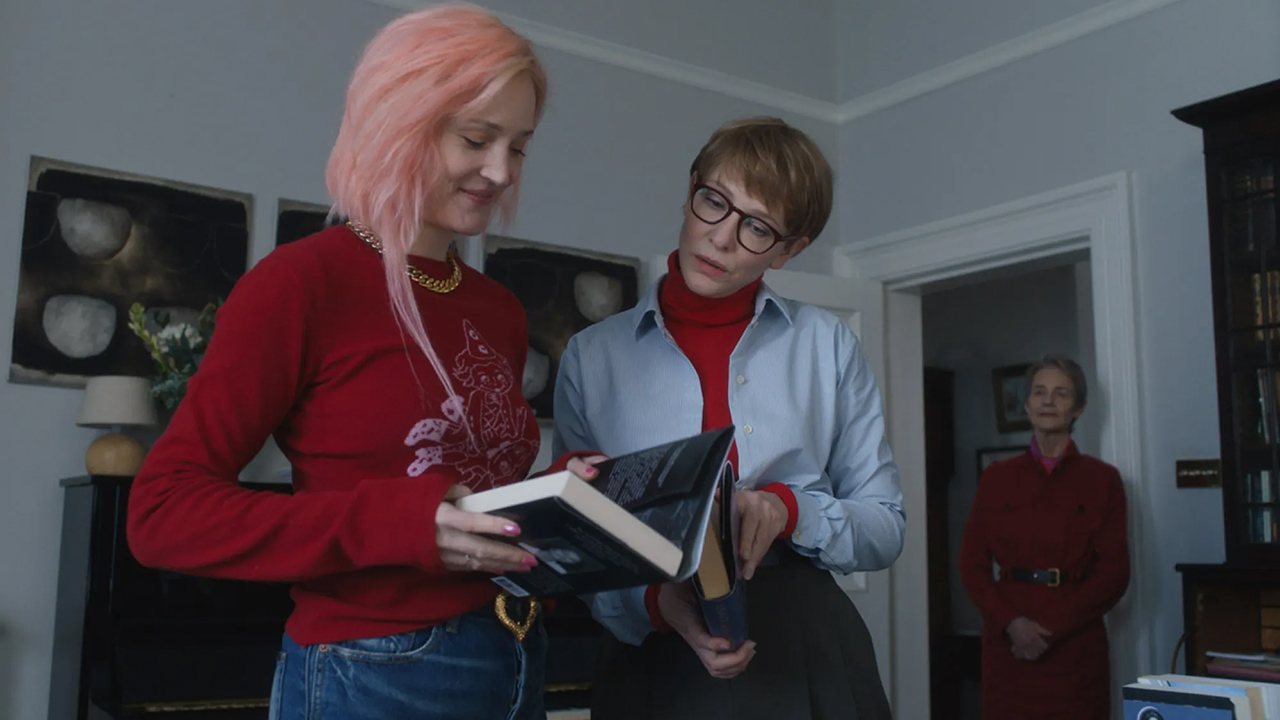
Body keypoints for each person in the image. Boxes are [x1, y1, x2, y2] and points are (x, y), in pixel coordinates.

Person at [125, 6, 599, 718]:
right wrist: (401, 526)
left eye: (520, 147)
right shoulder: (302, 283)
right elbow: (163, 513)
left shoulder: (497, 309)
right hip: (372, 671)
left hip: (516, 654)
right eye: (477, 138)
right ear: (400, 119)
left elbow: (459, 491)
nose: (501, 172)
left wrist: (555, 496)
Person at [552, 117, 906, 720]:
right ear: (690, 189)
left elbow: (884, 527)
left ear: (791, 249)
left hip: (805, 644)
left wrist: (788, 509)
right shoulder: (592, 355)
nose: (721, 238)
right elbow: (581, 545)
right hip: (653, 657)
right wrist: (658, 607)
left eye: (758, 228)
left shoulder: (828, 345)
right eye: (714, 202)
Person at [959, 353, 1131, 720]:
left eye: (1061, 393)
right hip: (1007, 647)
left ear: (1079, 408)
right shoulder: (996, 478)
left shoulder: (1103, 481)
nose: (1048, 401)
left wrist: (1049, 629)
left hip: (1074, 651)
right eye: (1039, 392)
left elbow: (1113, 575)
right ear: (1026, 404)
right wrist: (1012, 624)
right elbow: (971, 565)